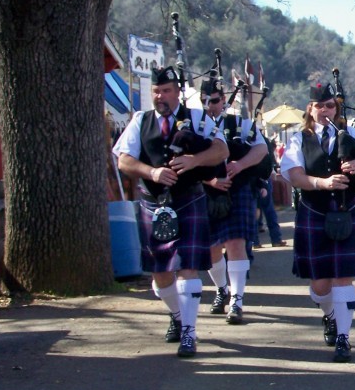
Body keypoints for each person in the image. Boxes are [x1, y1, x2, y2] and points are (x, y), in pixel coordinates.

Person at [114, 66, 228, 359]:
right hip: (154, 202)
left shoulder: (198, 117)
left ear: (177, 91)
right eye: (156, 91)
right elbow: (124, 160)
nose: (159, 96)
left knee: (187, 268)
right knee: (160, 275)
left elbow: (221, 150)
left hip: (188, 199)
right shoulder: (141, 120)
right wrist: (151, 172)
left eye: (165, 90)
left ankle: (189, 332)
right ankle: (178, 316)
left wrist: (193, 161)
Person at [280, 83, 355, 362]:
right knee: (320, 285)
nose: (325, 110)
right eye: (319, 106)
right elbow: (294, 175)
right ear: (310, 109)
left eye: (330, 105)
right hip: (314, 212)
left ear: (336, 108)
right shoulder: (298, 139)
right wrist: (322, 183)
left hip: (348, 210)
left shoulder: (353, 135)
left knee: (342, 278)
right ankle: (329, 315)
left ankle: (343, 337)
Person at [199, 79, 270, 325]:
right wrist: (209, 181)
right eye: (205, 101)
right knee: (210, 248)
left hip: (237, 188)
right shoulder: (194, 125)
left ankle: (236, 301)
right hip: (207, 192)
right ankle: (221, 290)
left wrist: (240, 165)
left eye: (215, 101)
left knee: (235, 244)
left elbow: (261, 150)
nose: (210, 106)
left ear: (223, 100)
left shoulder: (240, 123)